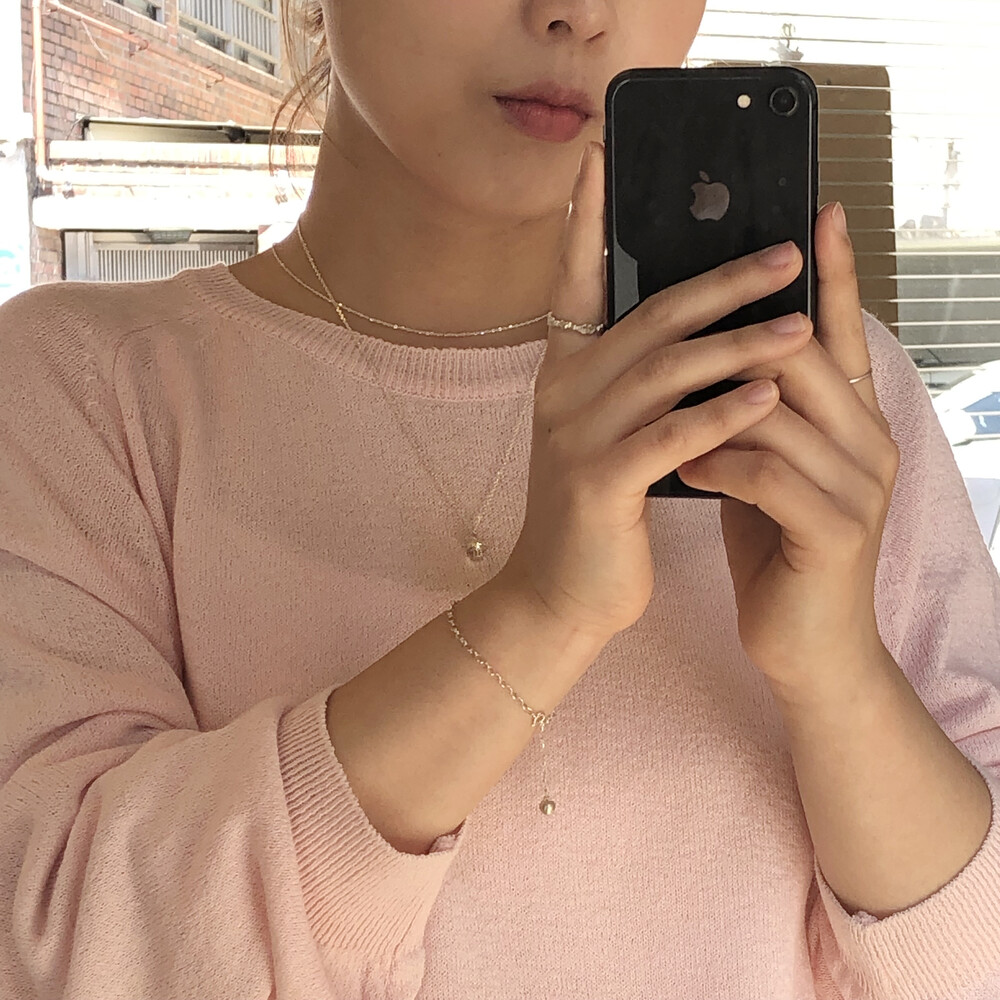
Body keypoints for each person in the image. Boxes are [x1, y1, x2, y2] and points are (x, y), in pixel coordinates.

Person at [2, 1, 999, 998]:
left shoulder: (819, 397)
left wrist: (839, 675)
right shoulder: (80, 387)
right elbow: (59, 945)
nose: (577, 13)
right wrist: (536, 617)